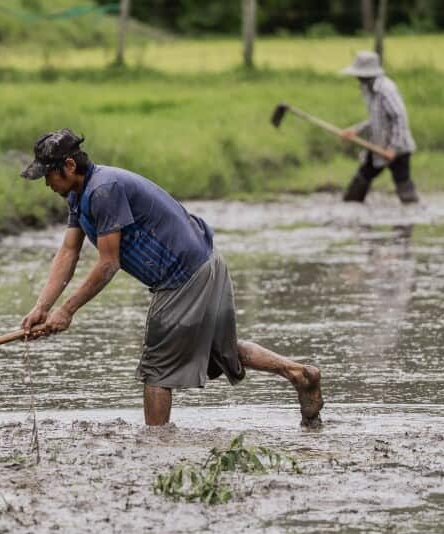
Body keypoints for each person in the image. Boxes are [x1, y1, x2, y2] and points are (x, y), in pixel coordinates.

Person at [17, 129, 324, 428]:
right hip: (203, 262)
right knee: (220, 349)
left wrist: (67, 310)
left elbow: (109, 263)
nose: (46, 184)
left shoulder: (103, 190)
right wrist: (42, 306)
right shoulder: (78, 194)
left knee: (156, 369)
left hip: (183, 275)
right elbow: (69, 251)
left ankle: (156, 448)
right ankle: (299, 373)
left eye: (48, 175)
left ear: (69, 166)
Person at [338, 50, 419, 205]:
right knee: (362, 178)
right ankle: (350, 209)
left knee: (403, 183)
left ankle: (413, 214)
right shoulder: (369, 89)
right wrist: (356, 130)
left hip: (398, 148)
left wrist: (393, 148)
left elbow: (399, 118)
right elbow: (377, 119)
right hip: (378, 144)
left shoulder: (386, 90)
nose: (356, 78)